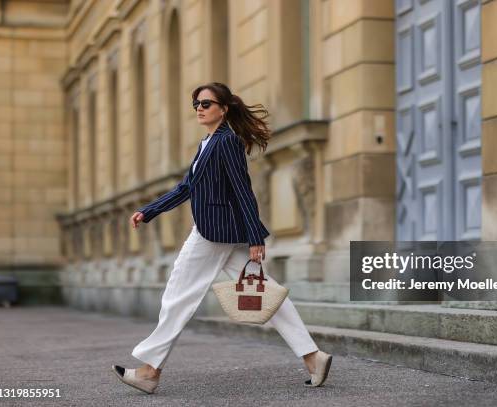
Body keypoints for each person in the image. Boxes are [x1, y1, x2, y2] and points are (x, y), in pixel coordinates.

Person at [111, 82, 332, 394]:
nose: (200, 109)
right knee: (267, 293)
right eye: (196, 104)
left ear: (224, 108)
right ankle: (313, 357)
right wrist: (149, 211)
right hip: (219, 231)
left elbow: (242, 190)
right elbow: (186, 188)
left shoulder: (227, 141)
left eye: (206, 103)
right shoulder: (208, 143)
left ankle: (149, 371)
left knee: (178, 296)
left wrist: (256, 237)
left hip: (212, 234)